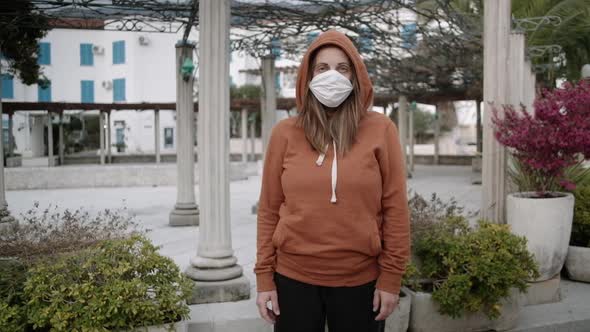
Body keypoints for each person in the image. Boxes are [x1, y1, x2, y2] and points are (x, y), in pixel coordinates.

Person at [254, 30, 410, 332]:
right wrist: (264, 278)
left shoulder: (381, 130)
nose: (332, 76)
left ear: (356, 76)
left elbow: (395, 208)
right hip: (292, 279)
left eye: (342, 68)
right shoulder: (285, 133)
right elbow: (269, 209)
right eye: (322, 68)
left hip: (361, 280)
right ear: (307, 77)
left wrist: (391, 278)